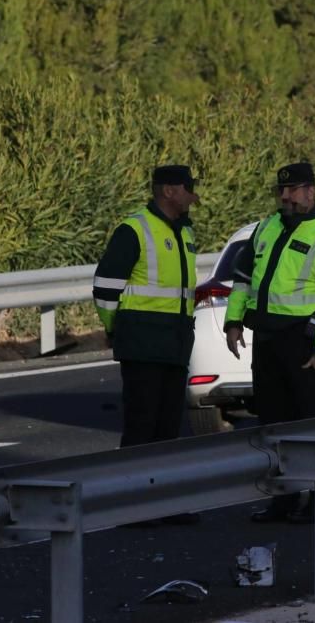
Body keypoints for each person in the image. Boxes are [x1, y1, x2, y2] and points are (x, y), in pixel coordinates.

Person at [223, 162, 315, 524]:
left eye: (293, 190)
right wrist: (233, 322)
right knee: (273, 424)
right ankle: (282, 500)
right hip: (266, 342)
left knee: (309, 426)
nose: (284, 196)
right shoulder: (266, 228)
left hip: (302, 347)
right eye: (281, 190)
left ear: (311, 192)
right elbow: (242, 279)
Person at [93, 164, 201, 526]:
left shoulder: (184, 231)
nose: (193, 195)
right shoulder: (134, 229)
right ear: (168, 191)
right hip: (142, 343)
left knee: (168, 428)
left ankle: (164, 503)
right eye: (188, 188)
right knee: (141, 428)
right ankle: (133, 504)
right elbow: (106, 288)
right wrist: (117, 328)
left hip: (174, 342)